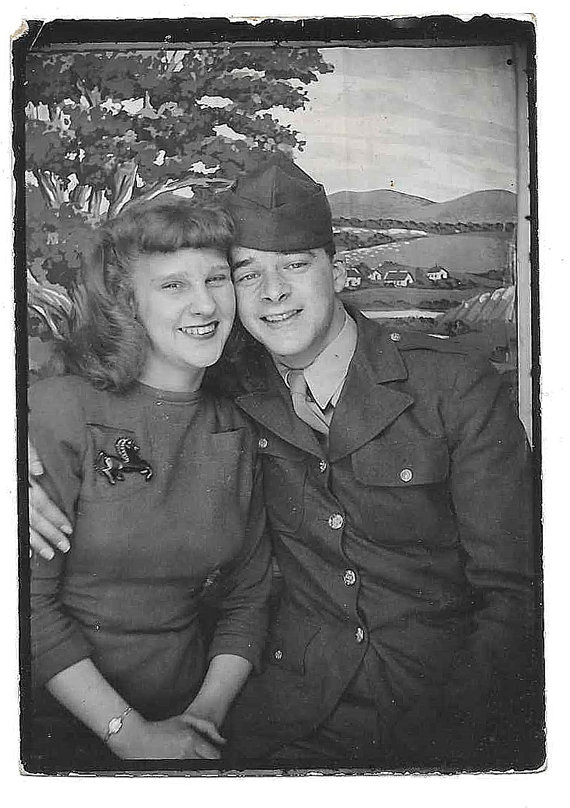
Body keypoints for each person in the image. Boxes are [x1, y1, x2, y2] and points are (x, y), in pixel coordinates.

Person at [29, 161, 540, 771]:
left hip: (439, 705)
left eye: (295, 265)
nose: (271, 293)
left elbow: (515, 592)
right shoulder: (230, 377)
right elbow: (93, 375)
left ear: (340, 271)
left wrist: (457, 730)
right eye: (248, 274)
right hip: (289, 712)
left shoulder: (454, 387)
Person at [26, 197, 271, 770]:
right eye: (173, 286)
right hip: (52, 728)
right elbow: (23, 606)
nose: (206, 303)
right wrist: (129, 734)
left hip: (190, 720)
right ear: (125, 303)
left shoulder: (237, 425)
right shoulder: (59, 411)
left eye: (217, 279)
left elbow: (250, 597)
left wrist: (201, 720)